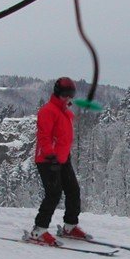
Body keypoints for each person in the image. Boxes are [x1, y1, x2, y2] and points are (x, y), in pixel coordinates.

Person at [29, 77, 88, 245]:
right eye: (65, 94)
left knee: (73, 190)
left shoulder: (66, 112)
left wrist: (63, 156)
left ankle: (70, 226)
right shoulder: (48, 111)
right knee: (54, 193)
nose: (68, 98)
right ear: (57, 93)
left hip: (63, 159)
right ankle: (38, 230)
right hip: (48, 160)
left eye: (71, 94)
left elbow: (64, 138)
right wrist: (51, 156)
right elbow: (44, 136)